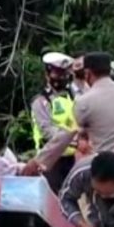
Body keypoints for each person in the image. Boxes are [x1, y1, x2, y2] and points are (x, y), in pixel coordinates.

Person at [31, 51, 79, 193]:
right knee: (53, 197)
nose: (61, 77)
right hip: (51, 159)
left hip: (72, 157)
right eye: (57, 73)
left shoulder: (73, 96)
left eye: (64, 73)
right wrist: (70, 137)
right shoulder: (41, 100)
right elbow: (46, 129)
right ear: (47, 74)